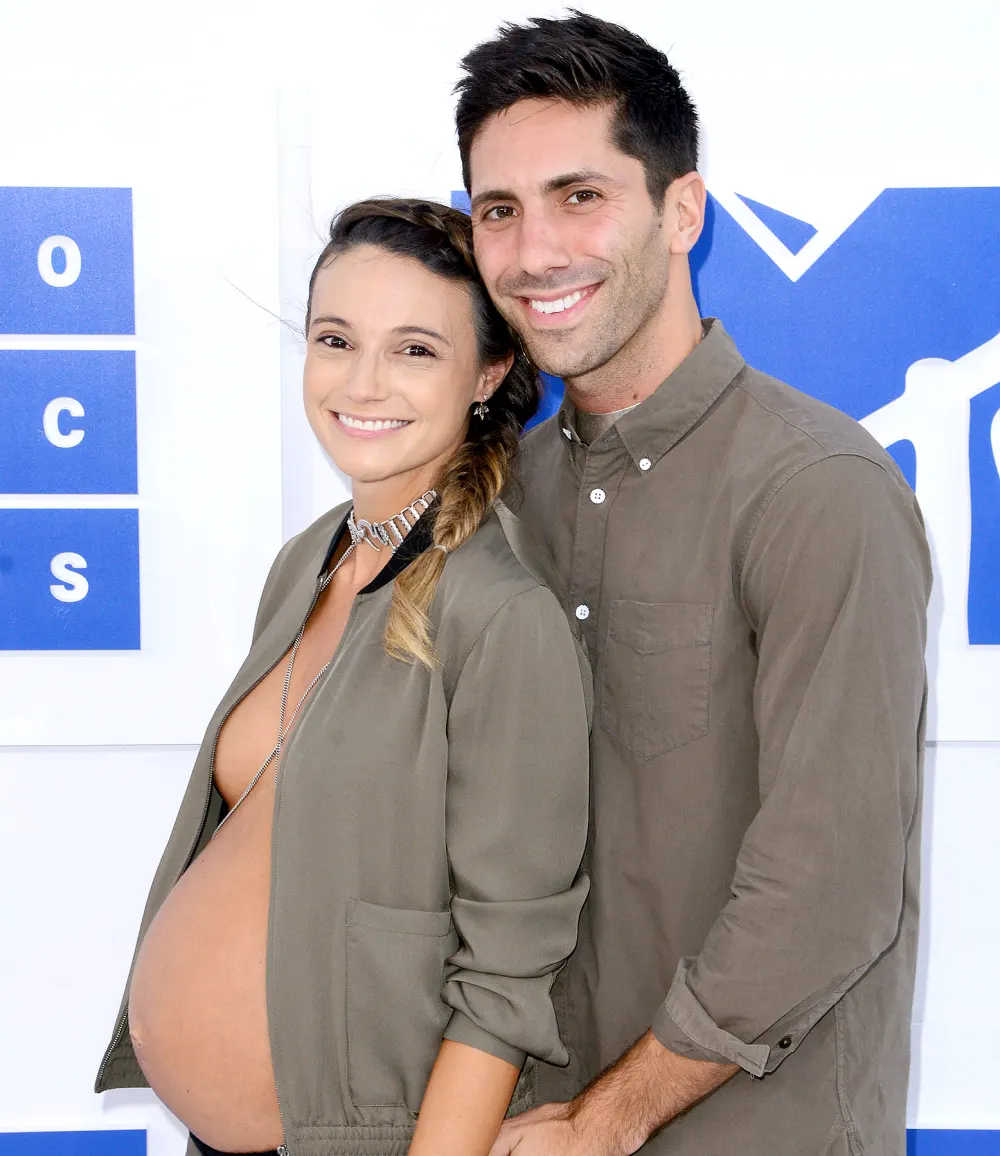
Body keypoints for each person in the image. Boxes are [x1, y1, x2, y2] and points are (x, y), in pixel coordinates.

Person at [454, 13, 932, 1156]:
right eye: (499, 210)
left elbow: (828, 884)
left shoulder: (817, 487)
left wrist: (608, 1122)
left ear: (682, 211)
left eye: (581, 196)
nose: (534, 253)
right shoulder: (495, 498)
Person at [94, 198, 592, 1156]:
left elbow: (507, 976)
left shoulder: (499, 615)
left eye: (414, 349)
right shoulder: (308, 560)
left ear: (487, 372)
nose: (362, 381)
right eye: (335, 338)